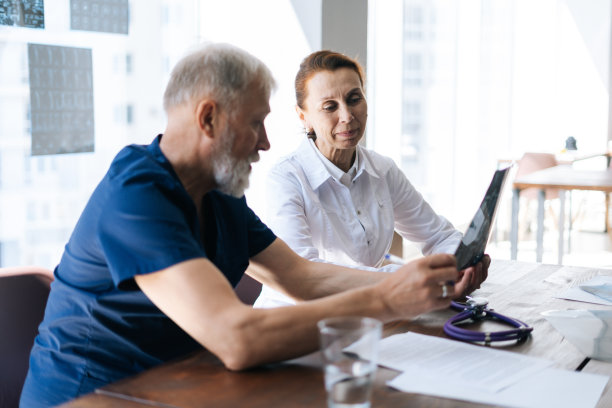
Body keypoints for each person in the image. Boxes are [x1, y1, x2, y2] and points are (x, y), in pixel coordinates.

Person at [20, 43, 470, 407]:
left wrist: (414, 284)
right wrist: (385, 300)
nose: (265, 142)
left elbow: (302, 276)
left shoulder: (216, 194)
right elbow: (236, 338)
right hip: (94, 396)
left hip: (178, 387)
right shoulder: (136, 192)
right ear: (208, 118)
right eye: (255, 123)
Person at [254, 50, 489, 308]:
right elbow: (306, 274)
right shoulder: (286, 178)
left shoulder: (382, 170)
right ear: (303, 116)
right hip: (295, 321)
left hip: (365, 315)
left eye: (354, 99)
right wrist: (407, 279)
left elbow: (438, 236)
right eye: (330, 107)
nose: (347, 116)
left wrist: (461, 265)